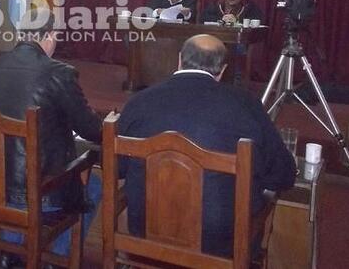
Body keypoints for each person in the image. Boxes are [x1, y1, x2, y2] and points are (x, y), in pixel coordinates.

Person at [116, 34, 296, 257]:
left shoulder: (139, 101)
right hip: (220, 241)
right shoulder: (246, 104)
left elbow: (117, 168)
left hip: (145, 230)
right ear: (222, 70)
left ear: (180, 60)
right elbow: (283, 175)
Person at [0, 13, 103, 265]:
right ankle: (55, 259)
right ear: (49, 36)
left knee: (14, 189)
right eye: (56, 36)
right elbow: (91, 130)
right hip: (40, 194)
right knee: (95, 184)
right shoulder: (60, 72)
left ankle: (8, 253)